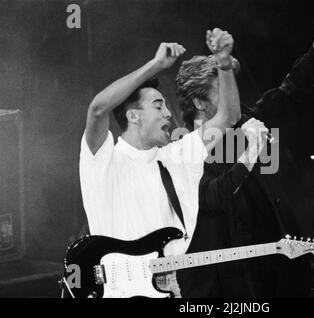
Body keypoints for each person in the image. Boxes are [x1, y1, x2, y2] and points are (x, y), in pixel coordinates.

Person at [176, 6, 314, 297]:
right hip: (233, 280)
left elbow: (292, 88)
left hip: (282, 265)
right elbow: (215, 198)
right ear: (200, 102)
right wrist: (251, 151)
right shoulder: (185, 150)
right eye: (222, 89)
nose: (233, 96)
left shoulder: (249, 122)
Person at [79, 28, 240, 297]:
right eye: (158, 106)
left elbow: (228, 117)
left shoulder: (176, 157)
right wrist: (156, 65)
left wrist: (224, 64)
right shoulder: (103, 160)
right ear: (133, 116)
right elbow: (97, 108)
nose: (168, 113)